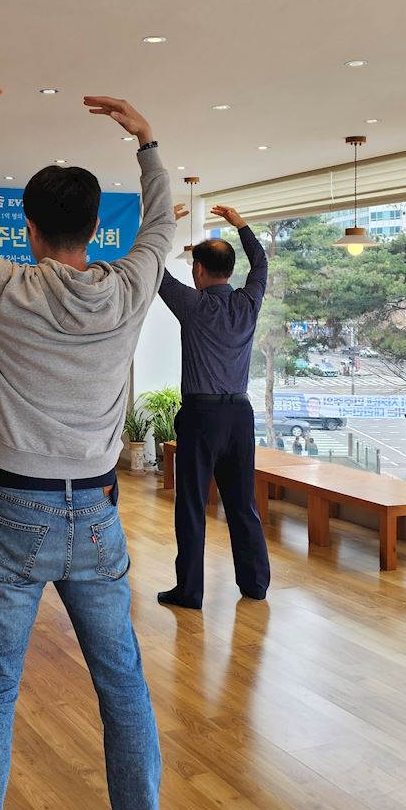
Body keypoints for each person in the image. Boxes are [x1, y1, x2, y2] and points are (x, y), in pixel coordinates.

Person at [0, 87, 173, 810]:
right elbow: (161, 226)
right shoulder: (129, 289)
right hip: (98, 517)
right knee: (124, 688)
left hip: (14, 512)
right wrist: (147, 143)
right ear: (95, 230)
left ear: (29, 230)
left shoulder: (4, 288)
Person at [155, 205, 270, 610]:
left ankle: (190, 590)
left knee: (191, 504)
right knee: (242, 503)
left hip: (201, 416)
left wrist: (162, 223)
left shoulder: (192, 304)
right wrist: (242, 225)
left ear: (199, 269)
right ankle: (255, 584)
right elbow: (261, 264)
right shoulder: (248, 302)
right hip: (240, 415)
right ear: (230, 270)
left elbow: (152, 268)